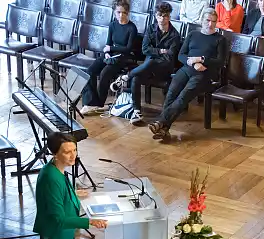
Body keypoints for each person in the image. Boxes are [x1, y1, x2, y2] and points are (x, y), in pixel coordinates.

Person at [147, 9, 226, 142]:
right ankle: (164, 129)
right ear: (202, 20)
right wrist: (192, 63)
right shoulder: (193, 34)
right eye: (207, 20)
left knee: (184, 96)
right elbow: (181, 55)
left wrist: (201, 59)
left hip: (204, 73)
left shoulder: (220, 39)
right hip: (187, 69)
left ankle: (160, 122)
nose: (210, 24)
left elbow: (220, 61)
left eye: (213, 21)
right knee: (171, 93)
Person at [118, 2, 181, 126]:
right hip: (148, 67)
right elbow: (145, 49)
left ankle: (126, 77)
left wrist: (155, 52)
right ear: (156, 16)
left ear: (169, 17)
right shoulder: (151, 28)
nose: (162, 18)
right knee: (137, 77)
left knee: (150, 61)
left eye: (165, 16)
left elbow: (170, 55)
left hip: (164, 69)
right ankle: (137, 111)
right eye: (160, 15)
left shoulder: (175, 35)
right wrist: (161, 51)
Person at [80, 0, 138, 115]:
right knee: (89, 71)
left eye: (124, 13)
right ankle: (91, 102)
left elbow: (128, 48)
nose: (121, 15)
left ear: (128, 13)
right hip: (110, 54)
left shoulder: (132, 28)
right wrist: (107, 52)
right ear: (114, 12)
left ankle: (100, 104)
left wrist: (110, 49)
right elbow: (108, 43)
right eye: (118, 12)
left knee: (104, 74)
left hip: (122, 58)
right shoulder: (112, 24)